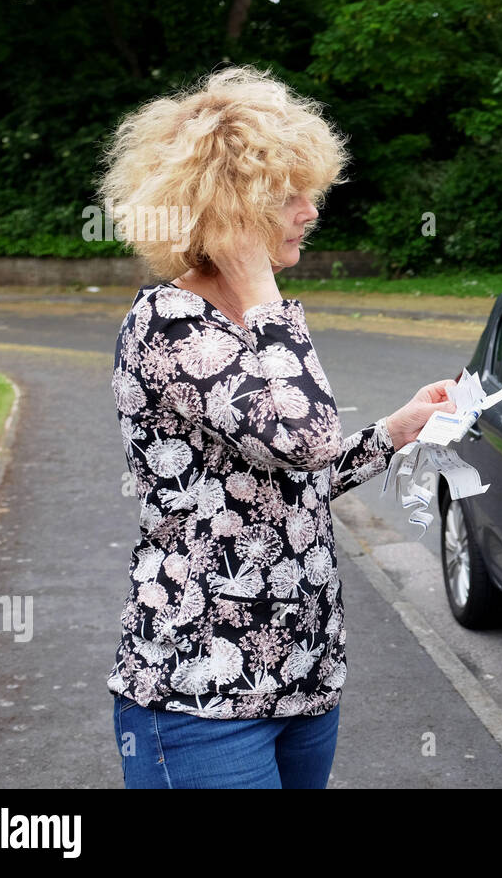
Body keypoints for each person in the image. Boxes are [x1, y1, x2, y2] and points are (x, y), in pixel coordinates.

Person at [100, 65, 456, 788]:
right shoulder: (169, 326)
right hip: (203, 696)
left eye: (311, 191)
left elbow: (293, 474)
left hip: (301, 676)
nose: (311, 210)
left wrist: (395, 429)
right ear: (230, 206)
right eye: (291, 195)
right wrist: (260, 287)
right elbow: (301, 437)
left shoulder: (259, 322)